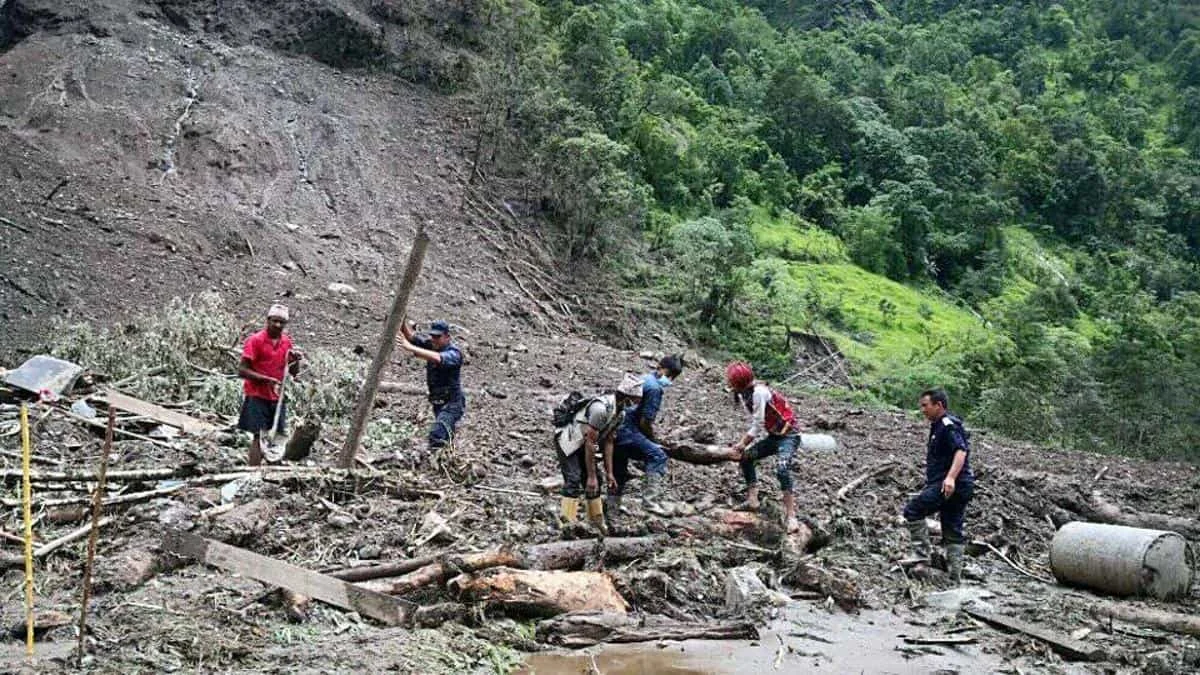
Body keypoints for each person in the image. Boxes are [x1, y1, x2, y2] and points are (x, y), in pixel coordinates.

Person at [554, 374, 644, 534]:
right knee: (574, 479)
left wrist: (609, 473)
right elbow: (590, 442)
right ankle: (567, 526)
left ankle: (596, 524)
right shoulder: (600, 409)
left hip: (584, 443)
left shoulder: (619, 414)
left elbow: (609, 441)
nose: (636, 404)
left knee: (597, 482)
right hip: (569, 440)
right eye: (635, 400)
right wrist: (591, 476)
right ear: (627, 397)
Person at [903, 388, 974, 583]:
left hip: (950, 484)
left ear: (939, 405)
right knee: (952, 527)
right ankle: (954, 576)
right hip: (958, 485)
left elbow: (961, 451)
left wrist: (950, 478)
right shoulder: (938, 426)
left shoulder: (947, 425)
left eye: (925, 405)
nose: (922, 410)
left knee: (913, 510)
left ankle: (921, 555)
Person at [724, 361, 803, 533]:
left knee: (782, 469)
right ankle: (752, 500)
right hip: (774, 436)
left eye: (731, 381)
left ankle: (791, 516)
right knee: (746, 458)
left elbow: (758, 423)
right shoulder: (745, 394)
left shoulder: (758, 392)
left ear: (738, 382)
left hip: (789, 436)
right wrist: (743, 447)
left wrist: (742, 443)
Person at [609, 354, 685, 518]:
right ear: (661, 368)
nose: (670, 379)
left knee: (619, 465)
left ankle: (612, 505)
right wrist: (653, 439)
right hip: (628, 430)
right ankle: (650, 503)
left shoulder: (643, 378)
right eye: (670, 375)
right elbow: (645, 422)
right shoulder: (655, 389)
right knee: (658, 456)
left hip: (613, 429)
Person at [238, 304, 302, 466]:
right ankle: (253, 471)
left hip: (277, 396)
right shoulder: (255, 340)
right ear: (268, 320)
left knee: (277, 437)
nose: (278, 325)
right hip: (256, 394)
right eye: (275, 321)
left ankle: (271, 471)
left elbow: (293, 372)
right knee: (258, 436)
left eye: (282, 322)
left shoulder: (286, 342)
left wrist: (296, 360)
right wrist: (265, 379)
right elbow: (242, 370)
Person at [395, 319, 465, 452]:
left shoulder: (454, 353)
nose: (434, 340)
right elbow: (412, 337)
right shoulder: (432, 345)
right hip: (438, 402)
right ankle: (447, 457)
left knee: (437, 434)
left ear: (447, 337)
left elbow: (438, 358)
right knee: (445, 438)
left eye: (438, 337)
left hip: (452, 404)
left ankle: (431, 459)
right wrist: (402, 319)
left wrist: (409, 347)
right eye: (432, 336)